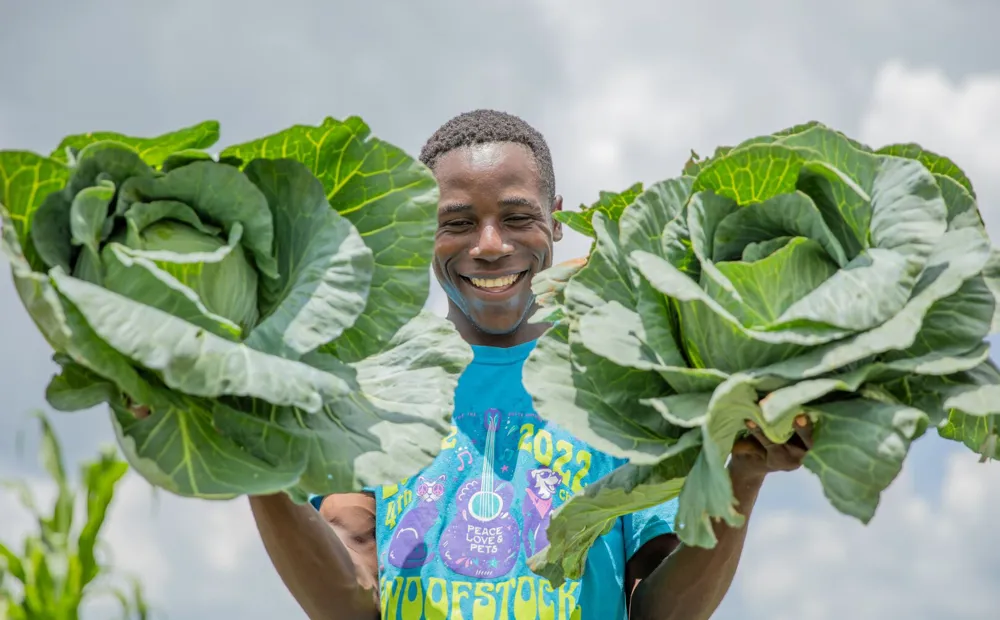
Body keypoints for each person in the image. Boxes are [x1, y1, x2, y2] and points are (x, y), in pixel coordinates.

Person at [248, 109, 814, 620]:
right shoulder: (372, 384)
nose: (491, 244)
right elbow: (349, 599)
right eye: (458, 222)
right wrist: (253, 463)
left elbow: (659, 609)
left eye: (518, 217)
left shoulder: (617, 380)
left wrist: (745, 473)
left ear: (557, 218)